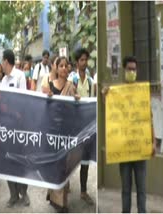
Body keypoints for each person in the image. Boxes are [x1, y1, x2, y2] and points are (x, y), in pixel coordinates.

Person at [101, 55, 156, 213]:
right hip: (123, 152)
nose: (132, 71)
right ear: (124, 70)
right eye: (129, 69)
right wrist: (105, 96)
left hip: (140, 151)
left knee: (142, 190)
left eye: (134, 69)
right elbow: (110, 113)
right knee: (126, 190)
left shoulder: (142, 94)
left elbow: (149, 119)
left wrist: (153, 142)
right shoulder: (116, 93)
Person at [44, 56, 79, 212]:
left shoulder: (72, 87)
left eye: (67, 66)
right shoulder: (49, 87)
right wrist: (47, 98)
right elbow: (43, 108)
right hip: (52, 132)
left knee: (63, 167)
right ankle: (54, 198)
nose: (64, 68)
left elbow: (76, 110)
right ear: (56, 68)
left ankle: (61, 203)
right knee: (53, 165)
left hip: (65, 133)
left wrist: (77, 100)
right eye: (61, 66)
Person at [0, 49, 29, 208]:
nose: (1, 65)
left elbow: (23, 100)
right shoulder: (3, 81)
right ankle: (13, 195)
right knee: (9, 160)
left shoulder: (20, 76)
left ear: (6, 61)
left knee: (20, 160)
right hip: (7, 127)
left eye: (2, 61)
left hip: (19, 126)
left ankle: (24, 193)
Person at [69, 48, 95, 205]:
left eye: (86, 59)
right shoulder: (72, 79)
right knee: (70, 158)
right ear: (77, 62)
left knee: (85, 160)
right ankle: (65, 185)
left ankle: (84, 191)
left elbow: (91, 102)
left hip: (86, 126)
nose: (84, 62)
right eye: (82, 60)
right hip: (73, 126)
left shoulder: (91, 82)